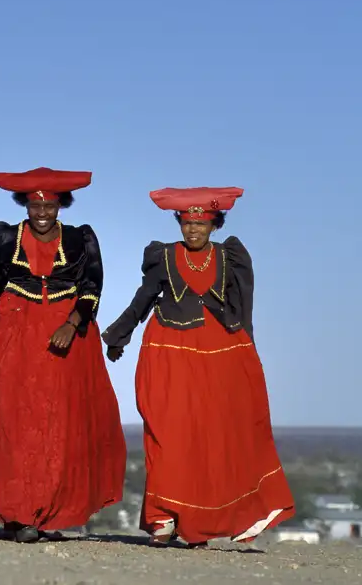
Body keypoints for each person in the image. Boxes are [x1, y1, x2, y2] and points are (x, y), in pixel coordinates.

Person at [102, 187, 294, 546]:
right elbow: (144, 296)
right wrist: (120, 333)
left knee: (211, 437)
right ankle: (163, 518)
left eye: (201, 224)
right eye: (187, 223)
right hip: (167, 350)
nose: (193, 231)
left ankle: (199, 522)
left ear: (214, 224)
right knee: (167, 432)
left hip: (219, 353)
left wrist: (247, 351)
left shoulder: (230, 257)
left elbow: (243, 308)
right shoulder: (163, 256)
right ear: (180, 223)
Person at [0, 167, 127, 543]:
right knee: (13, 423)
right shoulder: (6, 238)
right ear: (25, 204)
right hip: (14, 335)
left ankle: (47, 511)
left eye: (49, 206)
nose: (41, 213)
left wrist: (73, 322)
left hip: (64, 337)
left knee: (58, 426)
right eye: (34, 205)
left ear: (60, 206)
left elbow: (92, 287)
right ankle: (19, 514)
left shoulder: (80, 239)